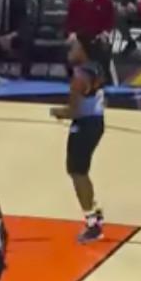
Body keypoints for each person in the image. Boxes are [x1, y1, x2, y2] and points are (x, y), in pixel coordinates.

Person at [51, 38, 108, 243]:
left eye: (74, 46)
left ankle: (92, 223)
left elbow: (73, 110)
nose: (70, 49)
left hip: (84, 125)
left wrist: (57, 112)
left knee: (77, 172)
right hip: (97, 123)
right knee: (81, 171)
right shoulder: (96, 68)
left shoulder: (80, 76)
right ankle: (94, 211)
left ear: (83, 49)